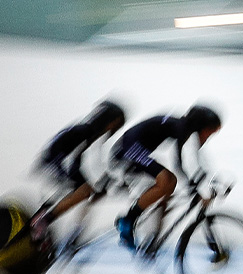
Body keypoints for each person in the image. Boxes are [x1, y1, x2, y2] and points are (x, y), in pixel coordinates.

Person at [112, 103, 222, 252]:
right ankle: (128, 219)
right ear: (200, 126)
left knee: (170, 184)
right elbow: (179, 163)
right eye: (209, 132)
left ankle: (153, 237)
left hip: (136, 149)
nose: (208, 136)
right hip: (127, 149)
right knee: (165, 180)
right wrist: (194, 187)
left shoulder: (185, 128)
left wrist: (206, 179)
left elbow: (195, 161)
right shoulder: (181, 128)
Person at [29, 100, 126, 244]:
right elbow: (80, 158)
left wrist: (103, 179)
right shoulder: (88, 131)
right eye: (116, 125)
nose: (114, 130)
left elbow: (80, 158)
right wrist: (105, 179)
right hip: (57, 161)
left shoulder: (89, 129)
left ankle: (46, 219)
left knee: (87, 189)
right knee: (85, 190)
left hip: (57, 160)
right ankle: (43, 221)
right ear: (110, 121)